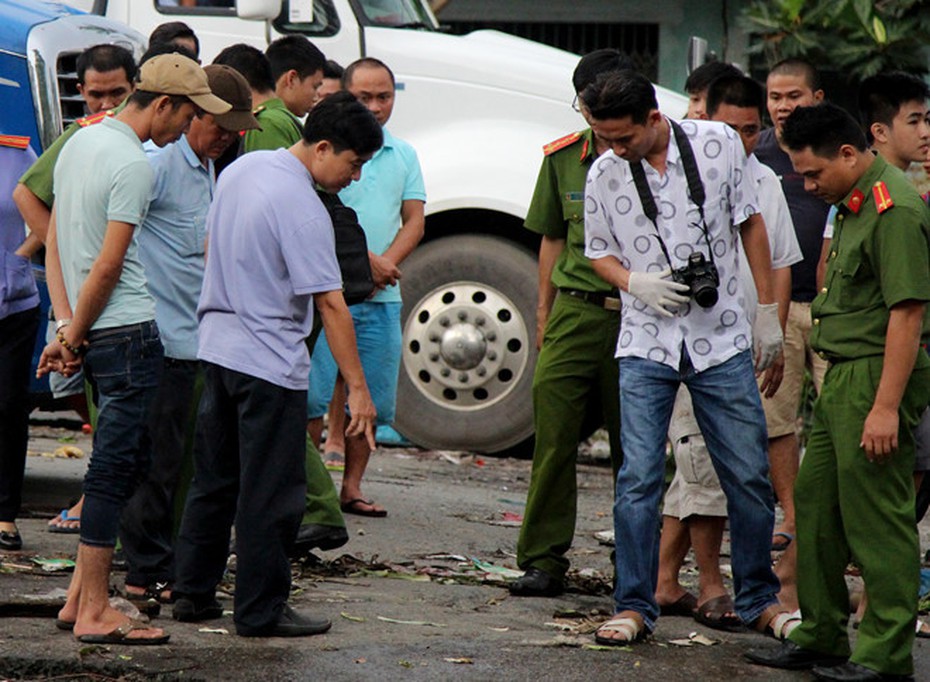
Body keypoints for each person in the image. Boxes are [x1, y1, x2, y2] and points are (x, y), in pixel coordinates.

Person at [580, 70, 787, 645]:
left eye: (622, 138)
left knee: (748, 474)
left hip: (720, 335)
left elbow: (751, 223)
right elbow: (598, 252)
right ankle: (633, 605)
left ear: (653, 118)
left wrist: (766, 312)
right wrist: (634, 282)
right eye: (604, 138)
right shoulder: (603, 172)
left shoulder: (718, 142)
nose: (613, 149)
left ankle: (759, 600)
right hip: (646, 340)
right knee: (639, 477)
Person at [171, 91, 381, 637]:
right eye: (353, 164)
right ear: (325, 147)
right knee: (270, 494)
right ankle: (261, 610)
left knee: (214, 481)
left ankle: (192, 594)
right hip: (268, 364)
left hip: (217, 347)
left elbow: (212, 242)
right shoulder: (305, 209)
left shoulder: (242, 169)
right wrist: (358, 389)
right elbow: (331, 302)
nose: (353, 178)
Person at [37, 52, 230, 645]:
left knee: (116, 467)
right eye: (190, 114)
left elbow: (55, 245)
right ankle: (96, 609)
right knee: (115, 472)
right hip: (129, 332)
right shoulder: (134, 163)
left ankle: (78, 599)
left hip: (96, 329)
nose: (187, 130)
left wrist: (68, 325)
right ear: (165, 105)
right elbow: (110, 264)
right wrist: (73, 332)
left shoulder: (80, 142)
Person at [745, 103, 930, 682]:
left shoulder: (892, 207)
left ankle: (883, 656)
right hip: (842, 376)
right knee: (817, 507)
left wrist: (885, 408)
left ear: (848, 154)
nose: (807, 185)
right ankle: (822, 633)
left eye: (814, 173)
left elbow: (906, 314)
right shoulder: (850, 199)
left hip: (875, 377)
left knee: (878, 521)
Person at [655, 75, 802, 629]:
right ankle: (711, 584)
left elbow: (782, 262)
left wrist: (773, 331)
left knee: (740, 468)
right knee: (698, 464)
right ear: (702, 121)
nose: (740, 140)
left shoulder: (763, 178)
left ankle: (669, 582)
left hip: (748, 343)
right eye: (729, 128)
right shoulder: (671, 175)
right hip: (691, 340)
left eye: (750, 130)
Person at [118, 64, 260, 605]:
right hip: (157, 340)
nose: (225, 136)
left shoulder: (211, 171)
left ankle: (169, 565)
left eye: (233, 129)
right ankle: (143, 572)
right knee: (153, 466)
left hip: (198, 345)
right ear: (189, 112)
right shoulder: (153, 166)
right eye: (217, 124)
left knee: (183, 466)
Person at [508, 48, 631, 599]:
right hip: (576, 312)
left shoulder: (656, 154)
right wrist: (543, 312)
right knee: (553, 438)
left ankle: (639, 563)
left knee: (638, 448)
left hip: (639, 316)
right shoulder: (563, 159)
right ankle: (541, 559)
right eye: (588, 107)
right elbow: (551, 237)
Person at [13, 43, 138, 535]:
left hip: (124, 303)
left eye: (117, 94)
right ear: (80, 94)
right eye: (95, 96)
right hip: (91, 301)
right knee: (83, 391)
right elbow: (26, 193)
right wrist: (64, 254)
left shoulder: (146, 140)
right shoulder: (82, 138)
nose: (105, 106)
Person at [306, 57, 426, 518]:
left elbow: (414, 221)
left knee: (370, 397)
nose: (375, 107)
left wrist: (385, 267)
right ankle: (309, 488)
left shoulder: (404, 154)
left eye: (384, 97)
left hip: (381, 297)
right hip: (328, 292)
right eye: (364, 98)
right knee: (312, 397)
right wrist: (364, 264)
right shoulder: (328, 152)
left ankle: (351, 487)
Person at [754, 58, 830, 552]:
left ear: (816, 98)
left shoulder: (836, 151)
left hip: (829, 309)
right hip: (775, 308)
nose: (784, 107)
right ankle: (792, 517)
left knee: (842, 419)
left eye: (794, 96)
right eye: (776, 97)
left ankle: (834, 520)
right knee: (775, 420)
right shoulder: (755, 154)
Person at [0, 134, 39, 552]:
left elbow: (54, 207)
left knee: (9, 407)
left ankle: (5, 514)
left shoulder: (16, 150)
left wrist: (20, 256)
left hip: (13, 305)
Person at [242, 35, 325, 153]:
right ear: (292, 79)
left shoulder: (274, 121)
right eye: (314, 86)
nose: (316, 97)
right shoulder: (270, 123)